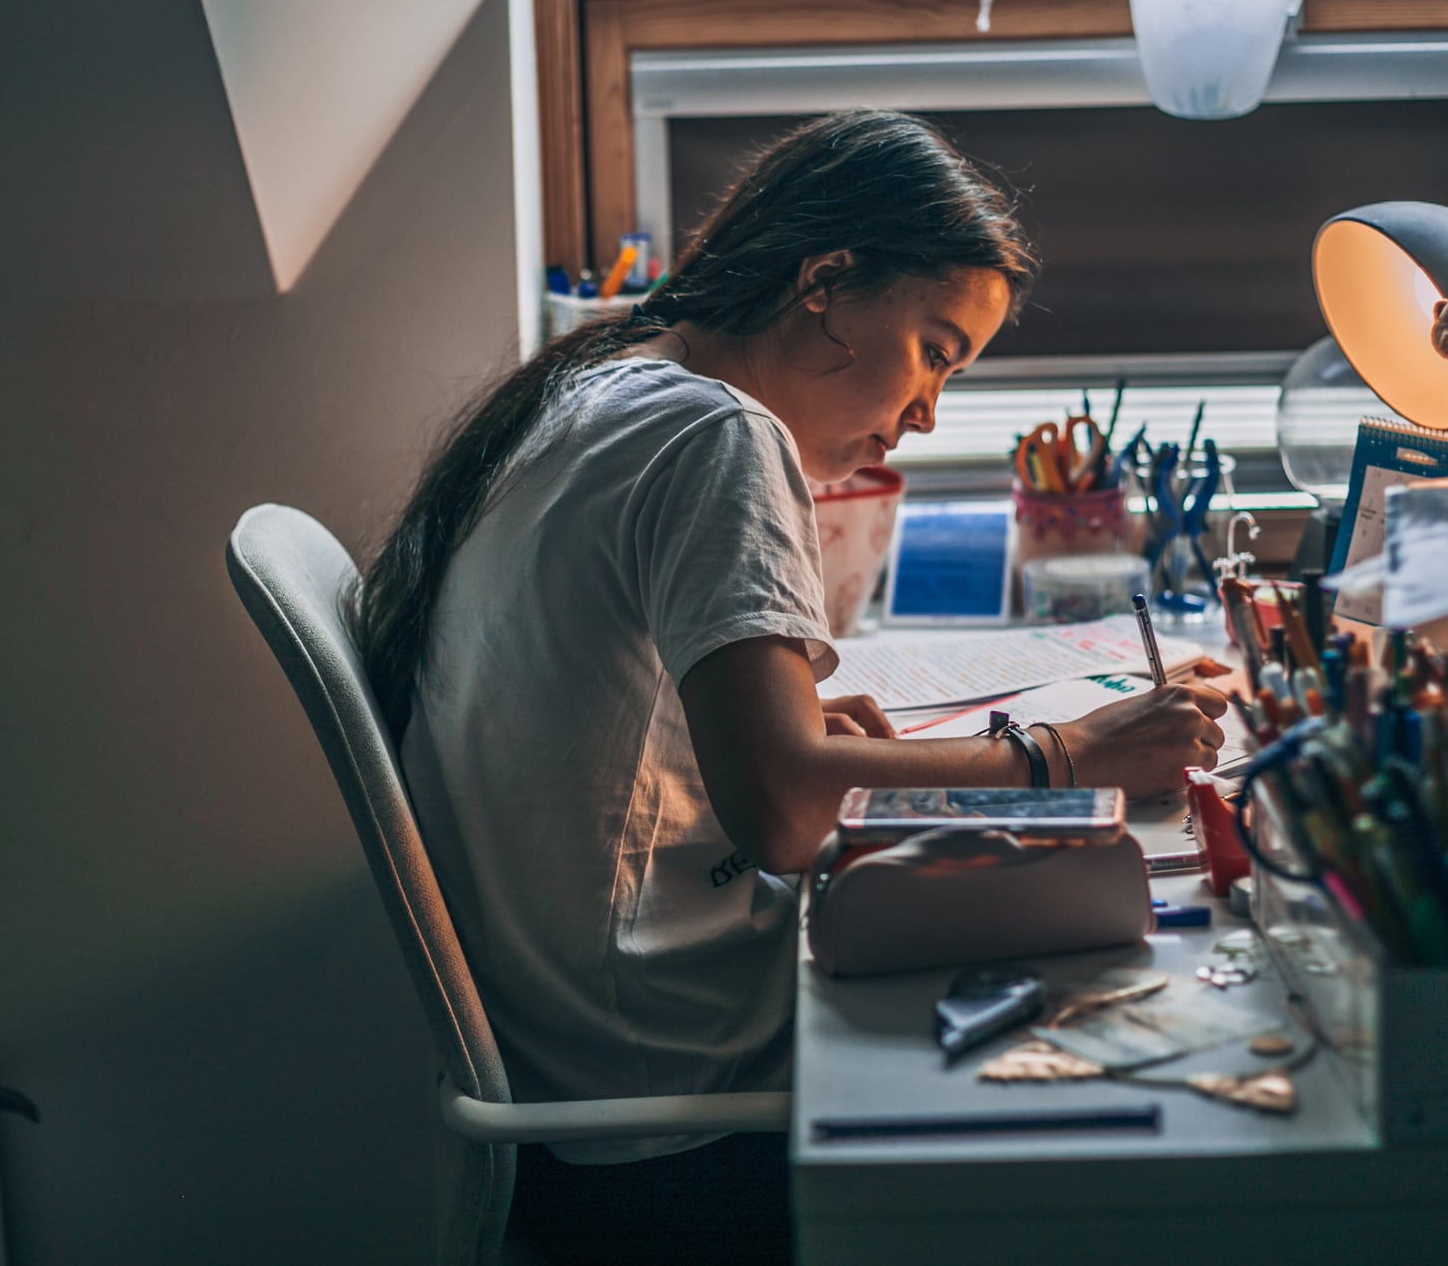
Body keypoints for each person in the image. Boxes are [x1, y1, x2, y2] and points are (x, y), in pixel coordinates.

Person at [349, 110, 1227, 1260]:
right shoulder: (717, 436)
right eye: (936, 350)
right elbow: (787, 809)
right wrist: (1071, 755)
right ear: (826, 282)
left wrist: (801, 737)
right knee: (1150, 1031)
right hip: (676, 1111)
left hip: (576, 1076)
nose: (925, 414)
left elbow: (651, 735)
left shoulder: (603, 386)